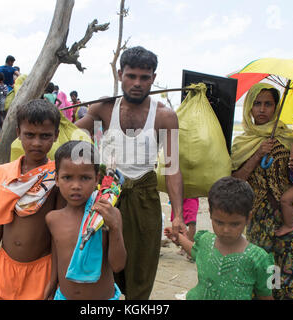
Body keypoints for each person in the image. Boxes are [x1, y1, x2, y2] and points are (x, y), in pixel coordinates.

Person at [75, 46, 185, 300]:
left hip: (144, 199)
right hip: (104, 196)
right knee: (102, 269)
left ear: (153, 79)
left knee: (140, 273)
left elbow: (172, 168)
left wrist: (177, 214)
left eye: (144, 78)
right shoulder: (103, 109)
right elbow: (73, 140)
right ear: (119, 74)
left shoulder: (165, 116)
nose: (137, 83)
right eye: (131, 76)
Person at [231, 83, 293, 300]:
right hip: (260, 223)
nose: (262, 109)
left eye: (268, 104)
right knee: (262, 278)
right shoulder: (242, 143)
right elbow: (235, 181)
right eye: (257, 104)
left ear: (276, 107)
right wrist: (257, 154)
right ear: (248, 108)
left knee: (289, 278)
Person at [0, 99, 62, 300]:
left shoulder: (57, 177)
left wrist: (54, 279)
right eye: (29, 135)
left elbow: (58, 233)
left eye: (45, 136)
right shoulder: (5, 173)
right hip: (5, 266)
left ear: (56, 136)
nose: (36, 142)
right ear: (18, 133)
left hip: (41, 269)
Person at [165, 176, 274, 300]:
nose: (225, 230)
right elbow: (195, 251)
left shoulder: (259, 259)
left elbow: (266, 296)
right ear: (210, 213)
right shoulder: (205, 240)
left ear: (248, 218)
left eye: (234, 224)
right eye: (219, 222)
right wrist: (178, 237)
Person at [44, 140, 126, 300]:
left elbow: (118, 266)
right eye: (67, 177)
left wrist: (114, 227)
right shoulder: (53, 219)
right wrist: (52, 283)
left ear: (97, 179)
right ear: (56, 179)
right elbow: (57, 255)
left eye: (85, 178)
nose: (76, 185)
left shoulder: (107, 215)